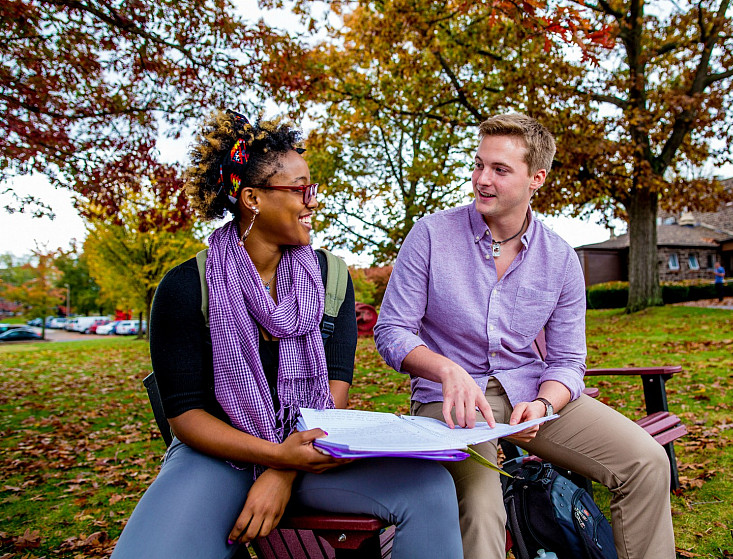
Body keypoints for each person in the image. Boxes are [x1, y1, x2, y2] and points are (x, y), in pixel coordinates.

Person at [112, 110, 462, 559]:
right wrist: (277, 456)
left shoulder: (331, 277)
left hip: (311, 451)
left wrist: (284, 470)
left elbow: (334, 394)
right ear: (253, 198)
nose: (312, 201)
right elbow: (185, 414)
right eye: (300, 189)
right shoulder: (184, 287)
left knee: (429, 486)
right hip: (217, 457)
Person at [374, 113, 676, 559]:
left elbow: (569, 361)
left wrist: (545, 405)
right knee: (481, 504)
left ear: (536, 178)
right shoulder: (431, 235)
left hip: (530, 396)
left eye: (499, 170)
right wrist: (445, 368)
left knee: (645, 462)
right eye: (478, 165)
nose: (481, 180)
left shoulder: (560, 259)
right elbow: (391, 330)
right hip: (449, 398)